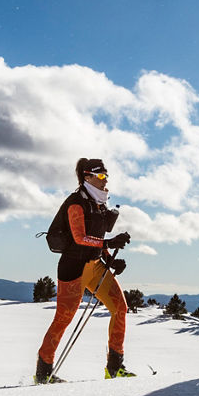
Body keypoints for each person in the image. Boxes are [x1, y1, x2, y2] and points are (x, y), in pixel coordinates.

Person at [36, 158, 135, 382]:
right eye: (100, 176)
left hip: (95, 265)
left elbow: (96, 237)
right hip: (74, 267)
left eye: (106, 176)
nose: (105, 180)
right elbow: (80, 238)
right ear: (87, 177)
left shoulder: (98, 204)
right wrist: (108, 243)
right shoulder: (76, 203)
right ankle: (43, 372)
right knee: (63, 319)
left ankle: (115, 368)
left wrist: (109, 259)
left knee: (120, 308)